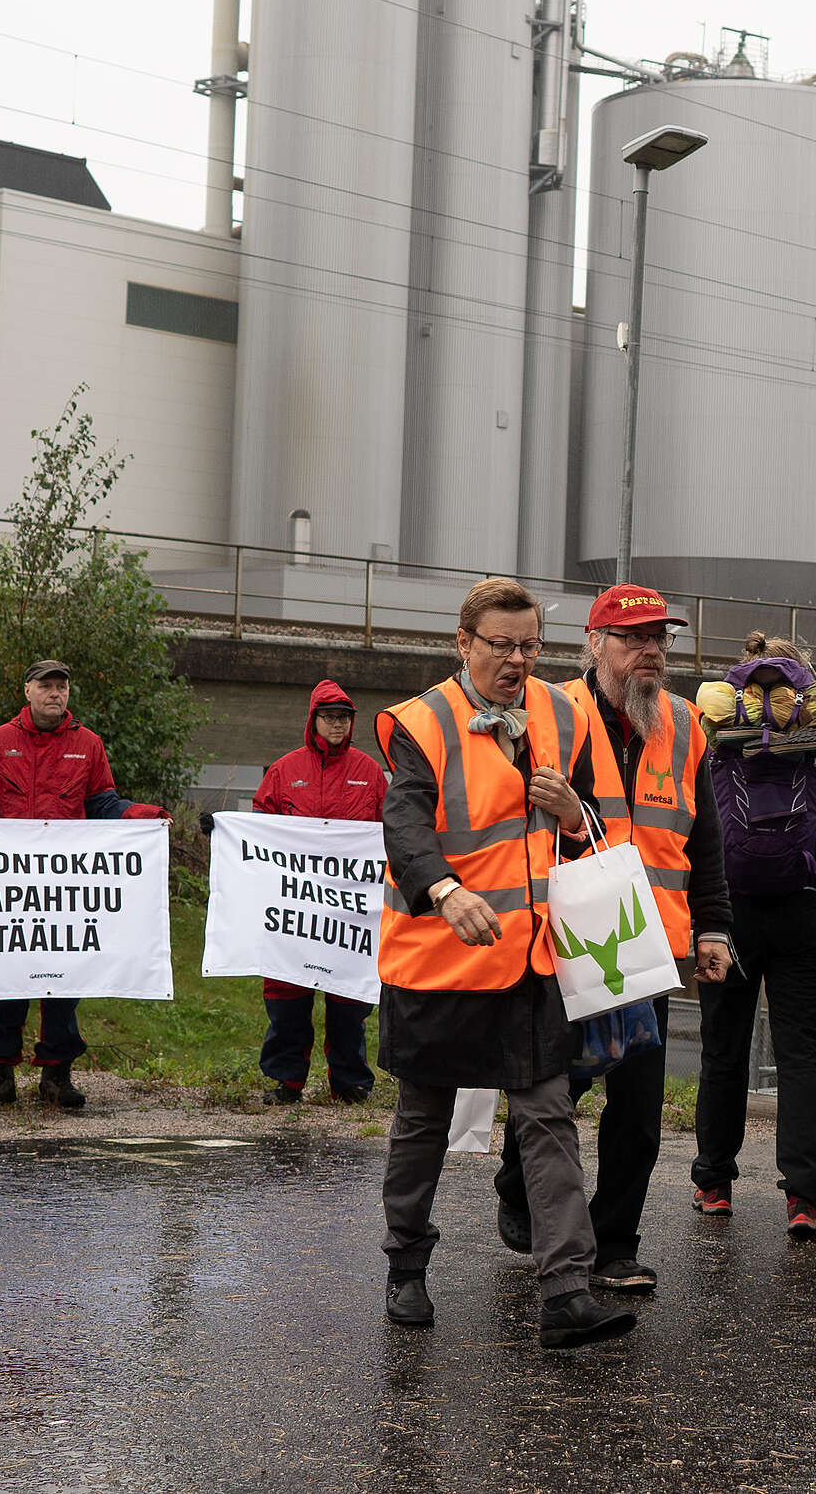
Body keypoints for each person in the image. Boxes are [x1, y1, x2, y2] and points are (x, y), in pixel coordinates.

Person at [372, 577, 634, 1350]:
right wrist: (445, 890)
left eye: (529, 646)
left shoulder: (564, 712)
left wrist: (570, 813)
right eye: (501, 645)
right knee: (423, 1119)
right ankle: (406, 1267)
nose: (518, 660)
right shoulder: (423, 722)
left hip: (527, 961)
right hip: (437, 960)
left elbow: (590, 828)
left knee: (548, 1117)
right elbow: (405, 822)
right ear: (464, 643)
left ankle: (566, 1291)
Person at [492, 584, 736, 1294]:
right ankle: (517, 1183)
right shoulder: (552, 712)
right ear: (595, 643)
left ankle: (616, 1244)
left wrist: (714, 925)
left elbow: (707, 841)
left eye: (659, 637)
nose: (650, 650)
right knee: (554, 1083)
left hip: (648, 945)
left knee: (638, 1106)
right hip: (564, 938)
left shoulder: (687, 725)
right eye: (633, 638)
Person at [0, 660, 170, 1112]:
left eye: (62, 686)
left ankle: (57, 1076)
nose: (56, 693)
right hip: (9, 881)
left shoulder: (88, 744)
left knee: (63, 980)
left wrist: (141, 816)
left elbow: (103, 803)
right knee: (3, 976)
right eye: (46, 686)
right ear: (27, 691)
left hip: (66, 883)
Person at [691, 635, 816, 1240]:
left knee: (723, 1048)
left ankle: (714, 1182)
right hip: (810, 913)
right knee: (800, 1053)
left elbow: (692, 826)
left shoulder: (716, 734)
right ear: (806, 682)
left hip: (728, 912)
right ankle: (803, 1198)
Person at [249, 679, 384, 1105]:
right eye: (329, 717)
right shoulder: (284, 770)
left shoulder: (369, 772)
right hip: (294, 906)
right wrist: (224, 831)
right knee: (287, 997)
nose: (337, 725)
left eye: (344, 718)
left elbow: (392, 826)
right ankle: (286, 1080)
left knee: (349, 1001)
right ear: (313, 719)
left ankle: (350, 1082)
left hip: (349, 909)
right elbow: (258, 826)